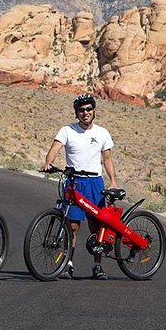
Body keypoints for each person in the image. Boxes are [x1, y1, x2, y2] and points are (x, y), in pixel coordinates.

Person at [43, 94, 118, 280]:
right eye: (81, 110)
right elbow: (55, 148)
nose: (85, 113)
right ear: (76, 113)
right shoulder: (67, 131)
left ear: (94, 111)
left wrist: (113, 181)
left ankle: (97, 266)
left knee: (97, 226)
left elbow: (107, 159)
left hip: (95, 183)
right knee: (72, 226)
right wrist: (48, 162)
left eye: (88, 109)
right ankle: (68, 264)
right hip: (74, 182)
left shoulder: (102, 133)